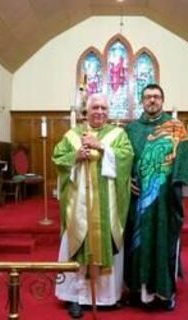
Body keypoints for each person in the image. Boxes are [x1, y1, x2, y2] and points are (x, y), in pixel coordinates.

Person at [52, 93, 134, 318]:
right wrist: (76, 156)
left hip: (107, 206)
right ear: (86, 111)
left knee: (105, 241)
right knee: (77, 245)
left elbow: (127, 159)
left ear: (109, 112)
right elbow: (58, 158)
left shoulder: (118, 135)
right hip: (79, 206)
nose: (99, 111)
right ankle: (75, 297)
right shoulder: (72, 135)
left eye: (104, 108)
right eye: (95, 107)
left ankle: (108, 297)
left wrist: (103, 147)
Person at [124, 83, 188, 311]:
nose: (152, 100)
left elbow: (186, 163)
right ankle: (138, 291)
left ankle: (165, 293)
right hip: (138, 204)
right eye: (148, 97)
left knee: (164, 243)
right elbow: (122, 162)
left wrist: (183, 188)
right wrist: (126, 181)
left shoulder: (175, 128)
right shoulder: (132, 130)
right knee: (137, 244)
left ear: (162, 100)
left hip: (166, 202)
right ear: (142, 100)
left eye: (156, 97)